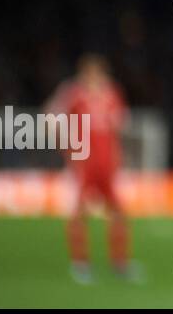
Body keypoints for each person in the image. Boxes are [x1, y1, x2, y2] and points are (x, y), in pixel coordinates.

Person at [45, 53, 138, 284]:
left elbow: (119, 127)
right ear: (84, 73)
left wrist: (120, 158)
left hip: (108, 166)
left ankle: (120, 262)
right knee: (79, 213)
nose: (96, 77)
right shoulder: (73, 93)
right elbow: (50, 116)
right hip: (84, 165)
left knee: (118, 213)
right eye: (92, 72)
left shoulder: (112, 94)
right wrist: (65, 148)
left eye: (99, 72)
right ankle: (81, 263)